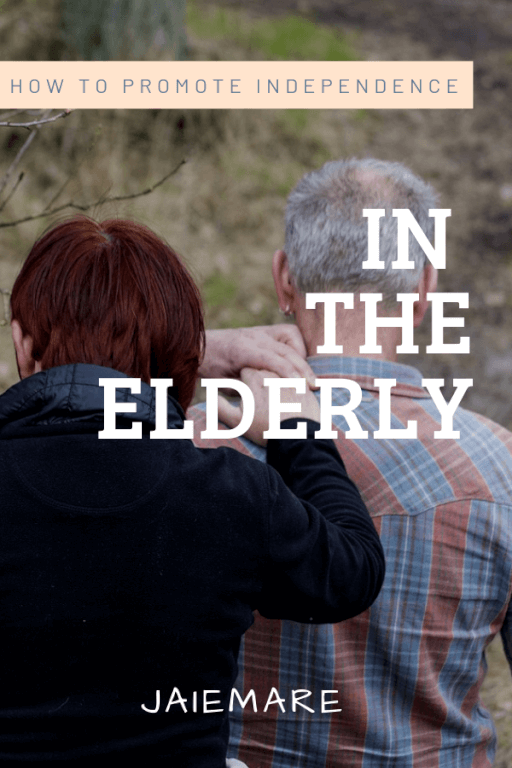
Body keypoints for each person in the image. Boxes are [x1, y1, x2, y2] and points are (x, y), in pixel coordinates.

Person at [0, 215, 385, 766]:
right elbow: (354, 571)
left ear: (21, 341)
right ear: (184, 360)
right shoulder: (229, 495)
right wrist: (298, 431)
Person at [190, 158, 512, 767]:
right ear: (423, 292)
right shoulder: (500, 467)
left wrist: (194, 352)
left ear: (284, 279)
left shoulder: (191, 448)